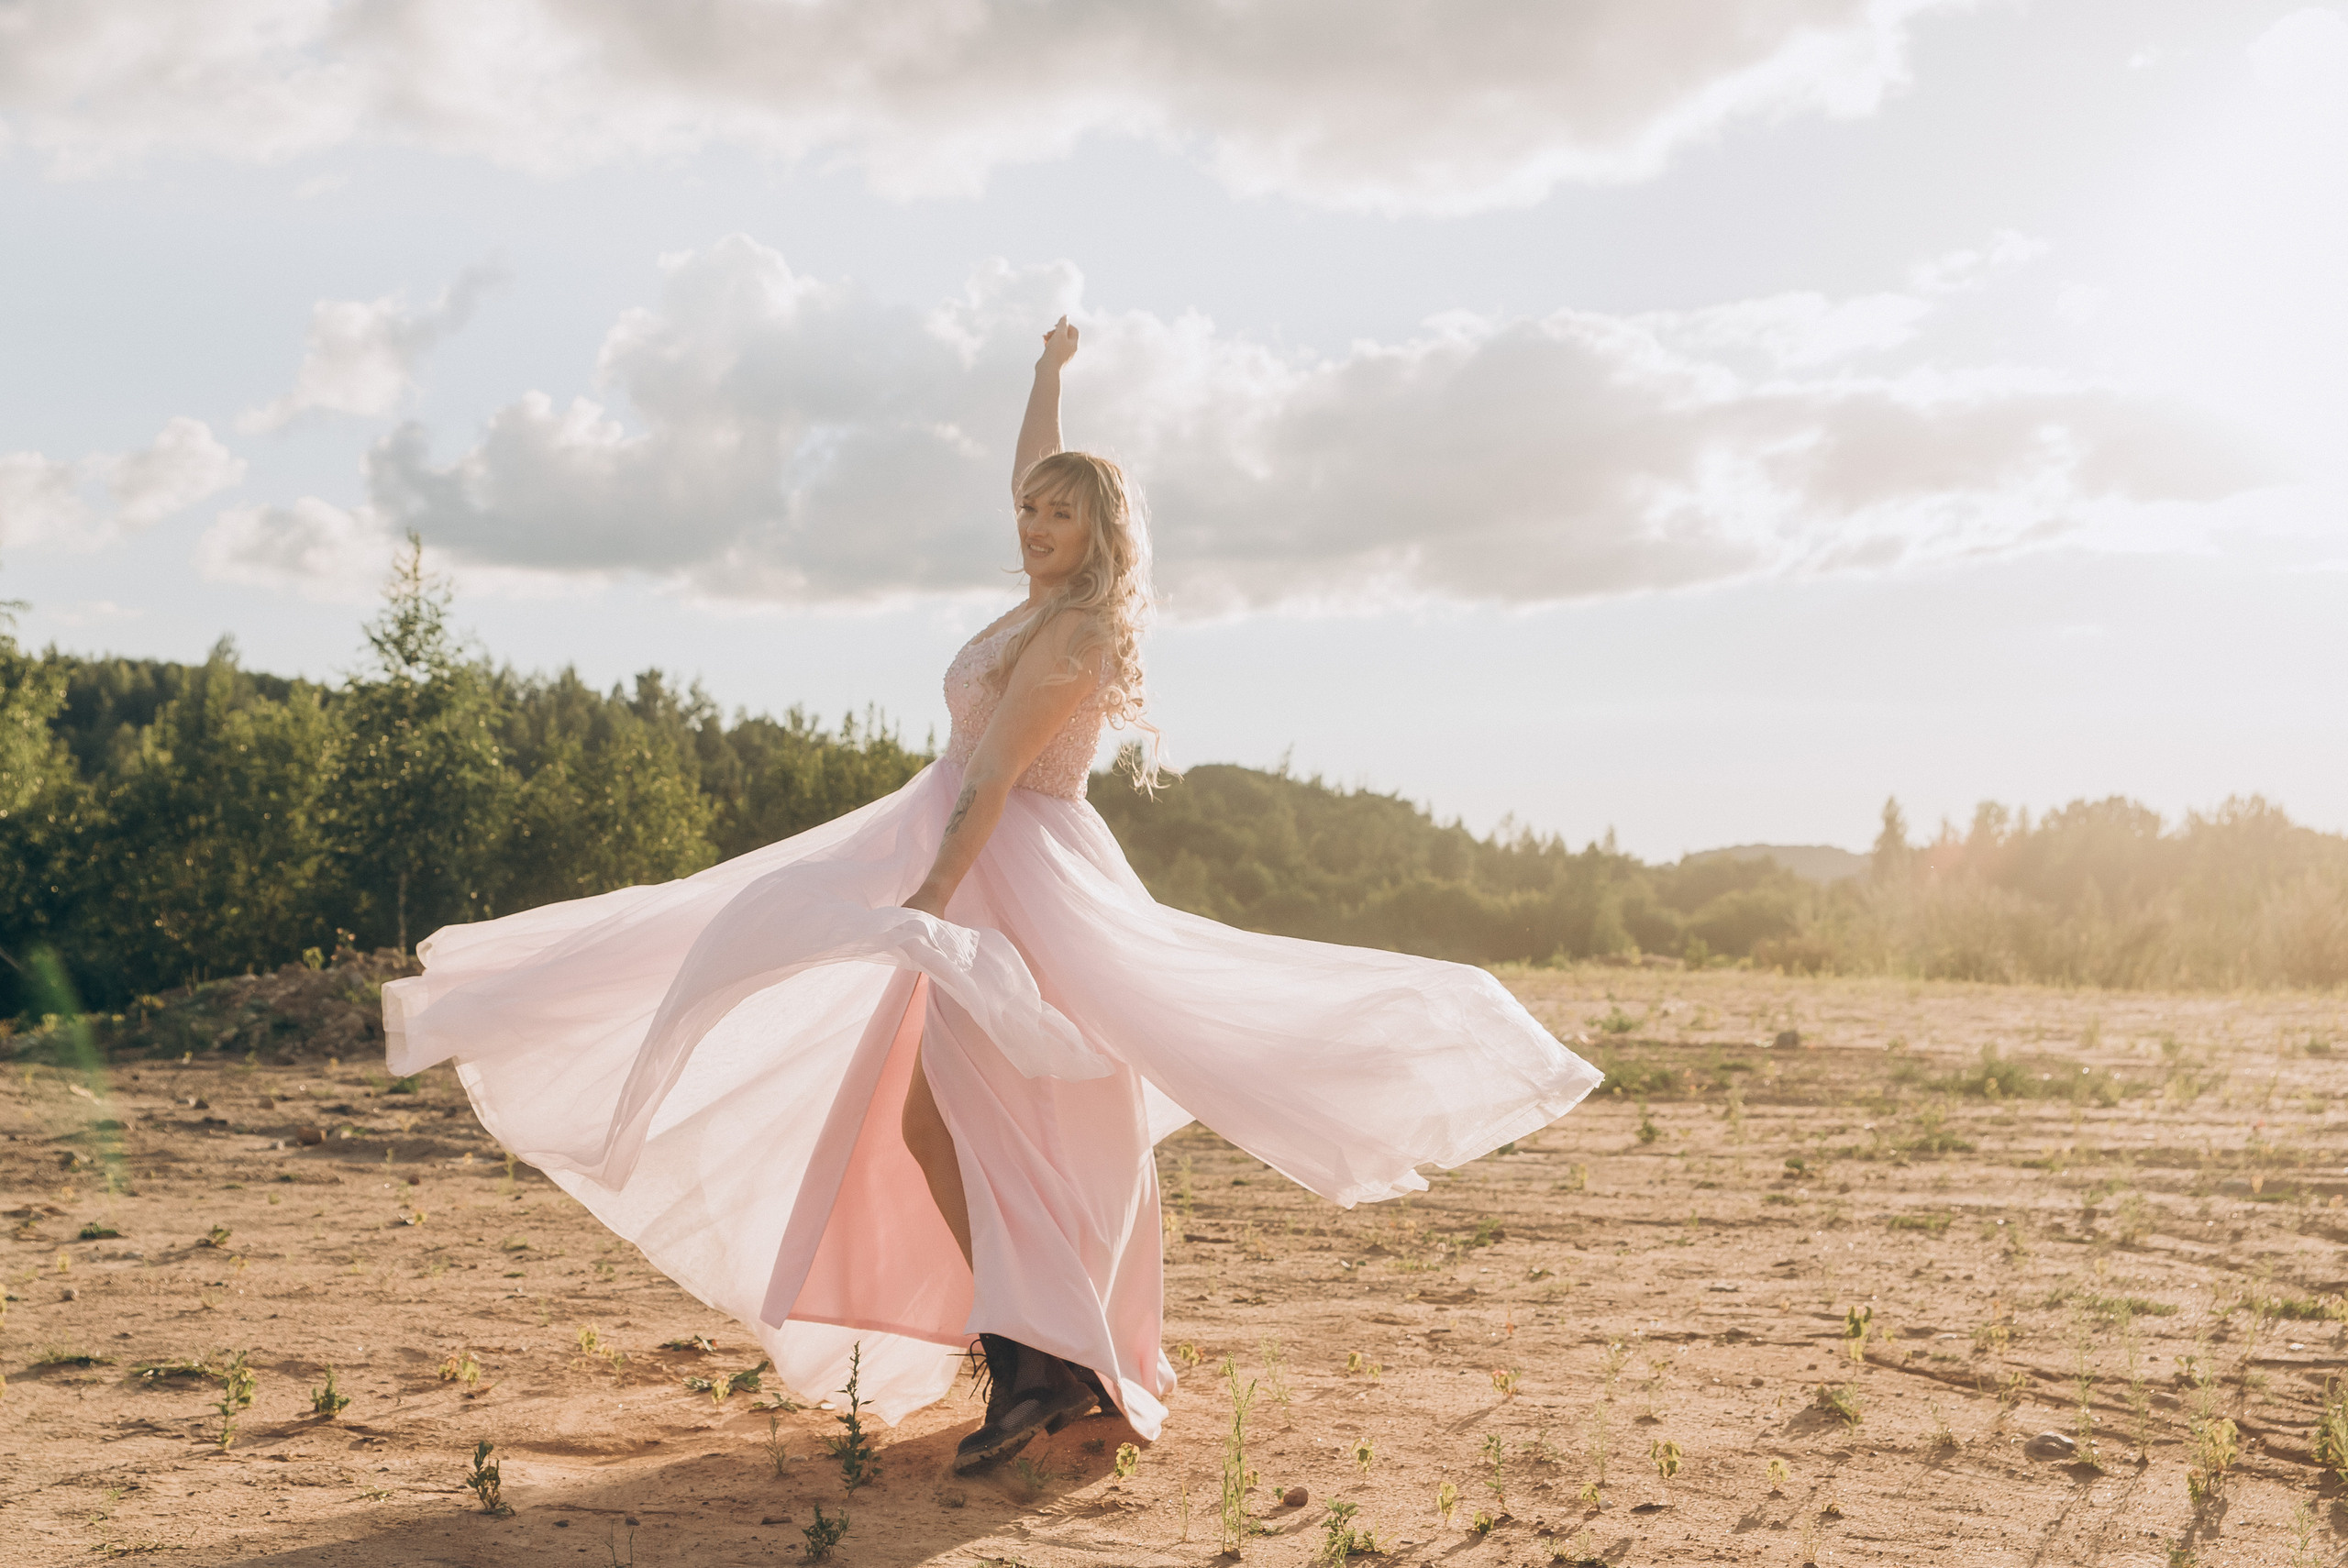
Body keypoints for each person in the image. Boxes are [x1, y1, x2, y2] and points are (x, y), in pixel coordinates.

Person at [382, 315, 1600, 1474]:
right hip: (983, 861)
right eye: (1025, 510)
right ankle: (1037, 1358)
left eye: (1055, 513)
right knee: (938, 1113)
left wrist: (923, 903)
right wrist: (1046, 375)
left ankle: (1039, 1363)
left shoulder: (1071, 637)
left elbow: (993, 780)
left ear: (1098, 531)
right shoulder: (1040, 597)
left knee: (973, 1117)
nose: (1030, 522)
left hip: (1010, 875)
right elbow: (1035, 471)